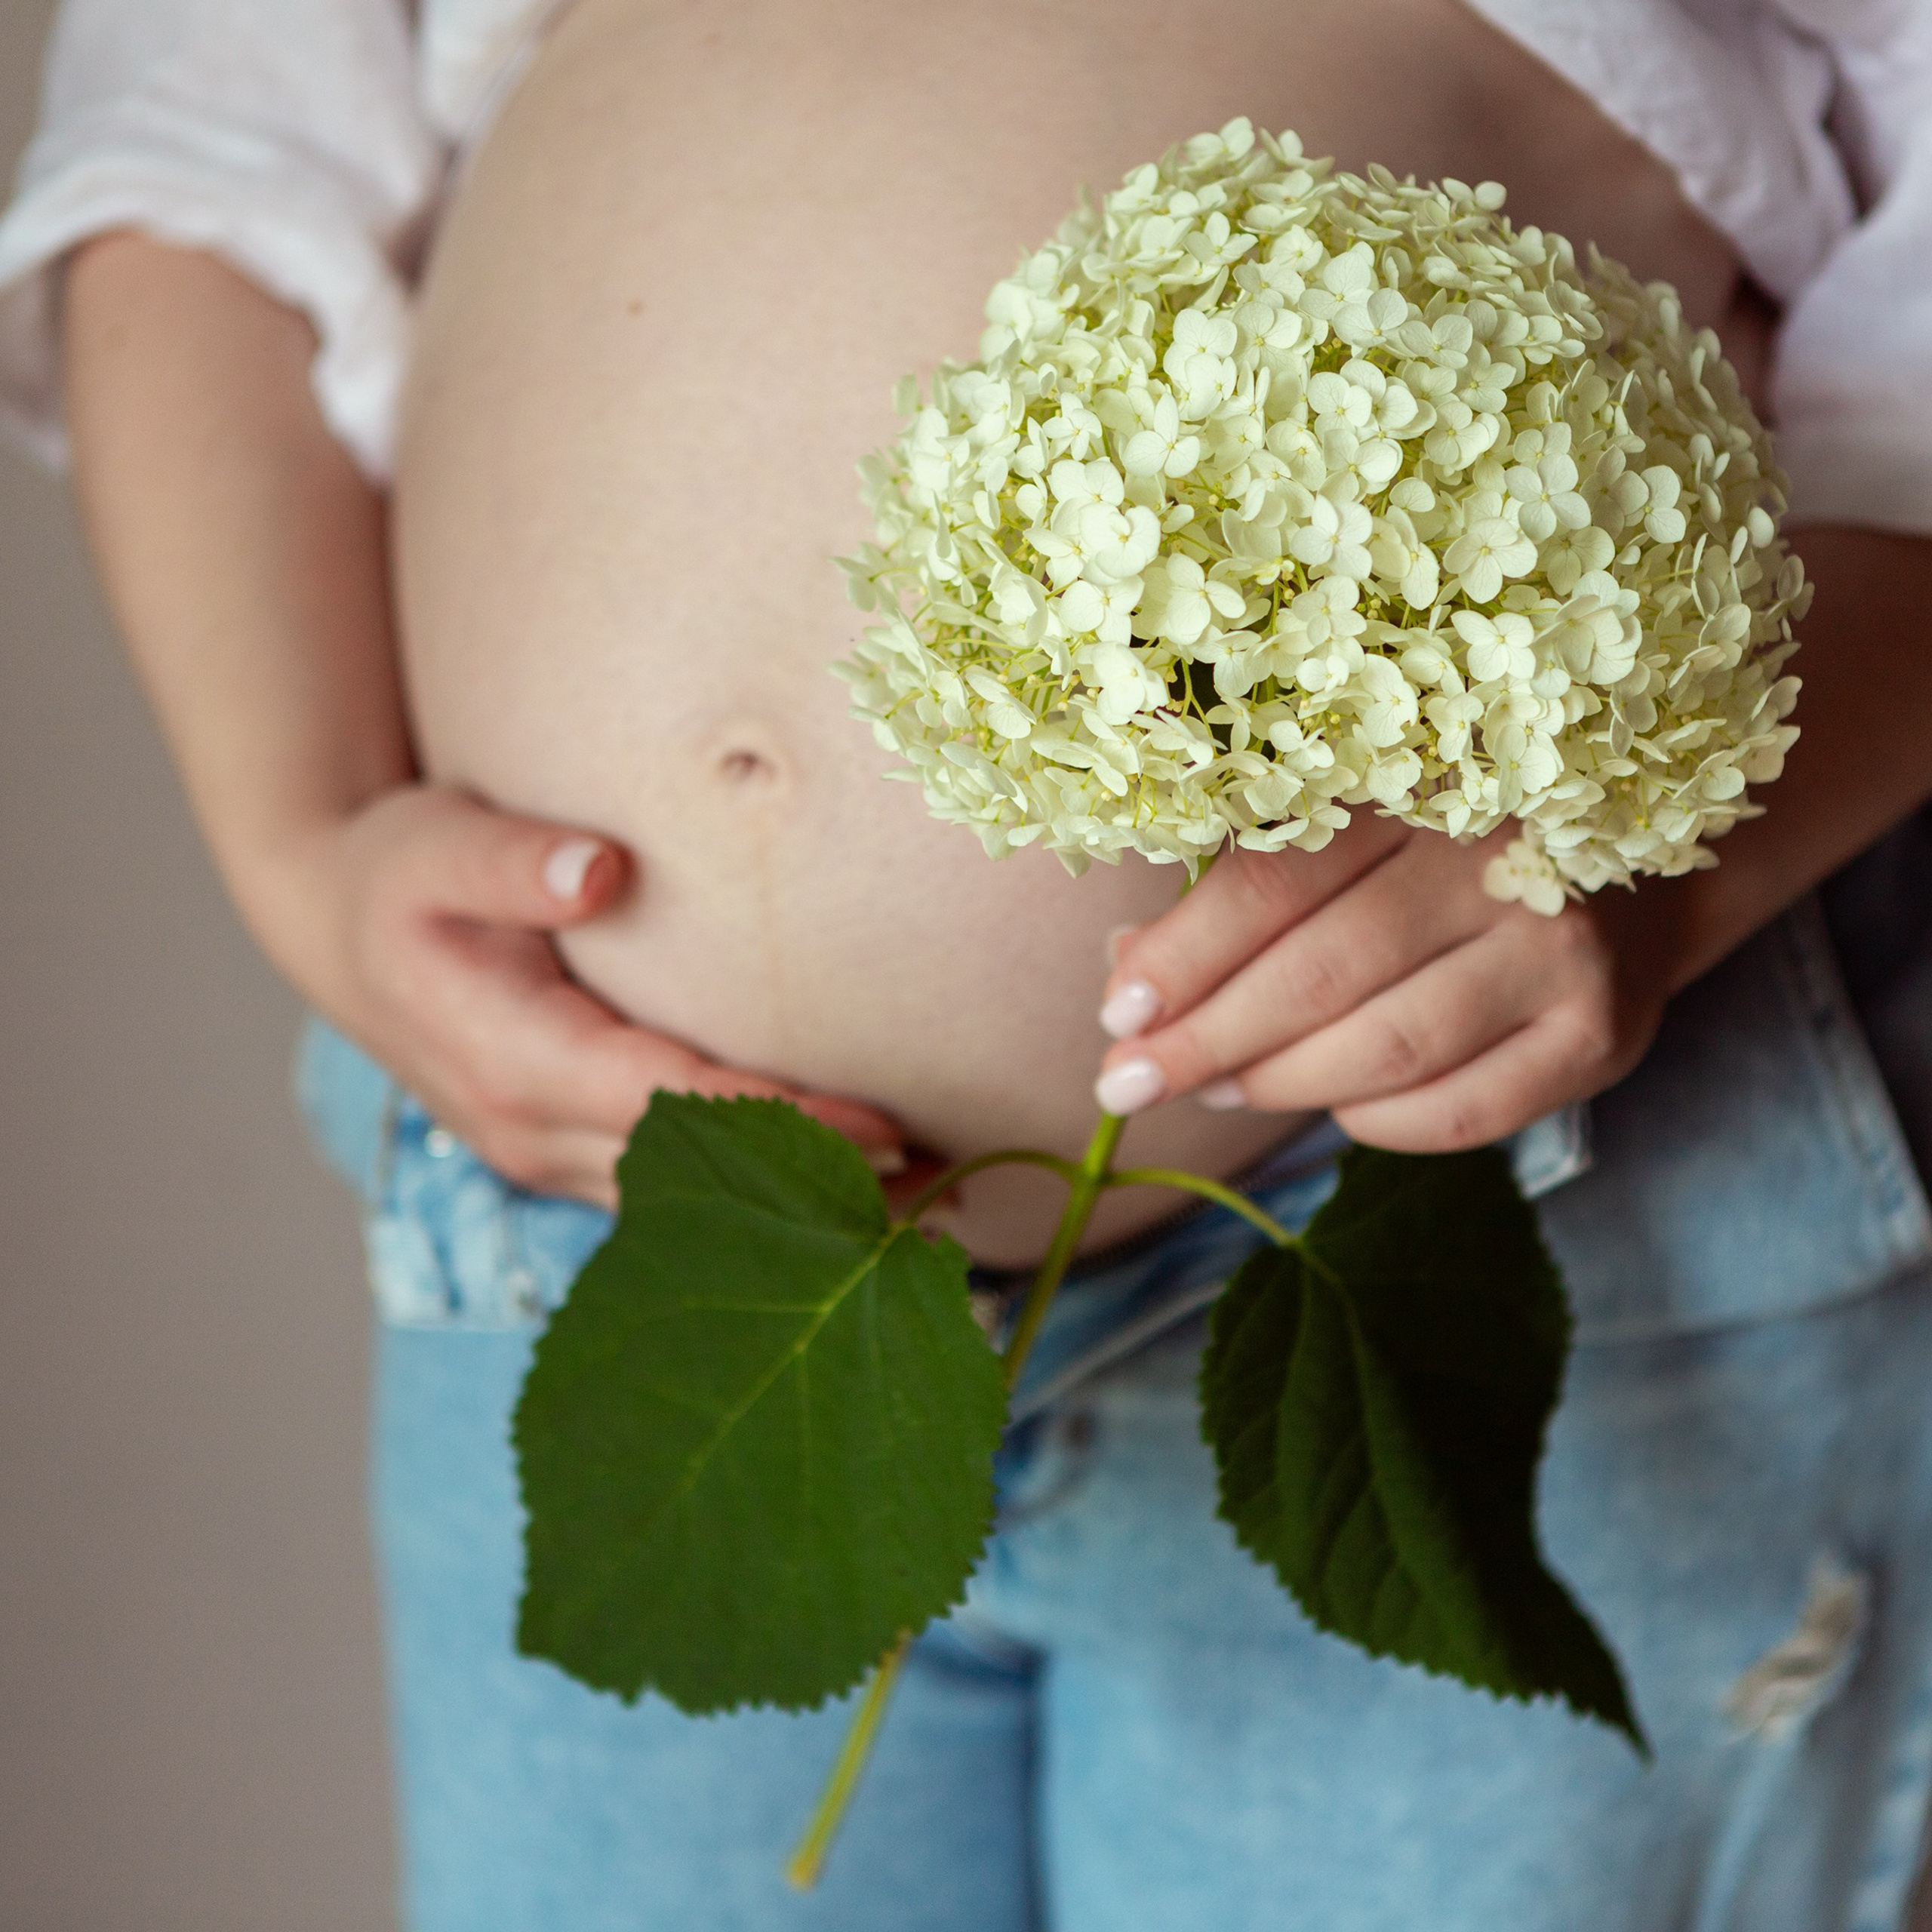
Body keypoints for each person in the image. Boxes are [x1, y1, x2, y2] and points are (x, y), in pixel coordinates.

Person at [5, 0, 1932, 1925]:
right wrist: (306, 837)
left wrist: (1644, 847)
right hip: (598, 1230)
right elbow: (193, 146)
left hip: (1522, 1195)